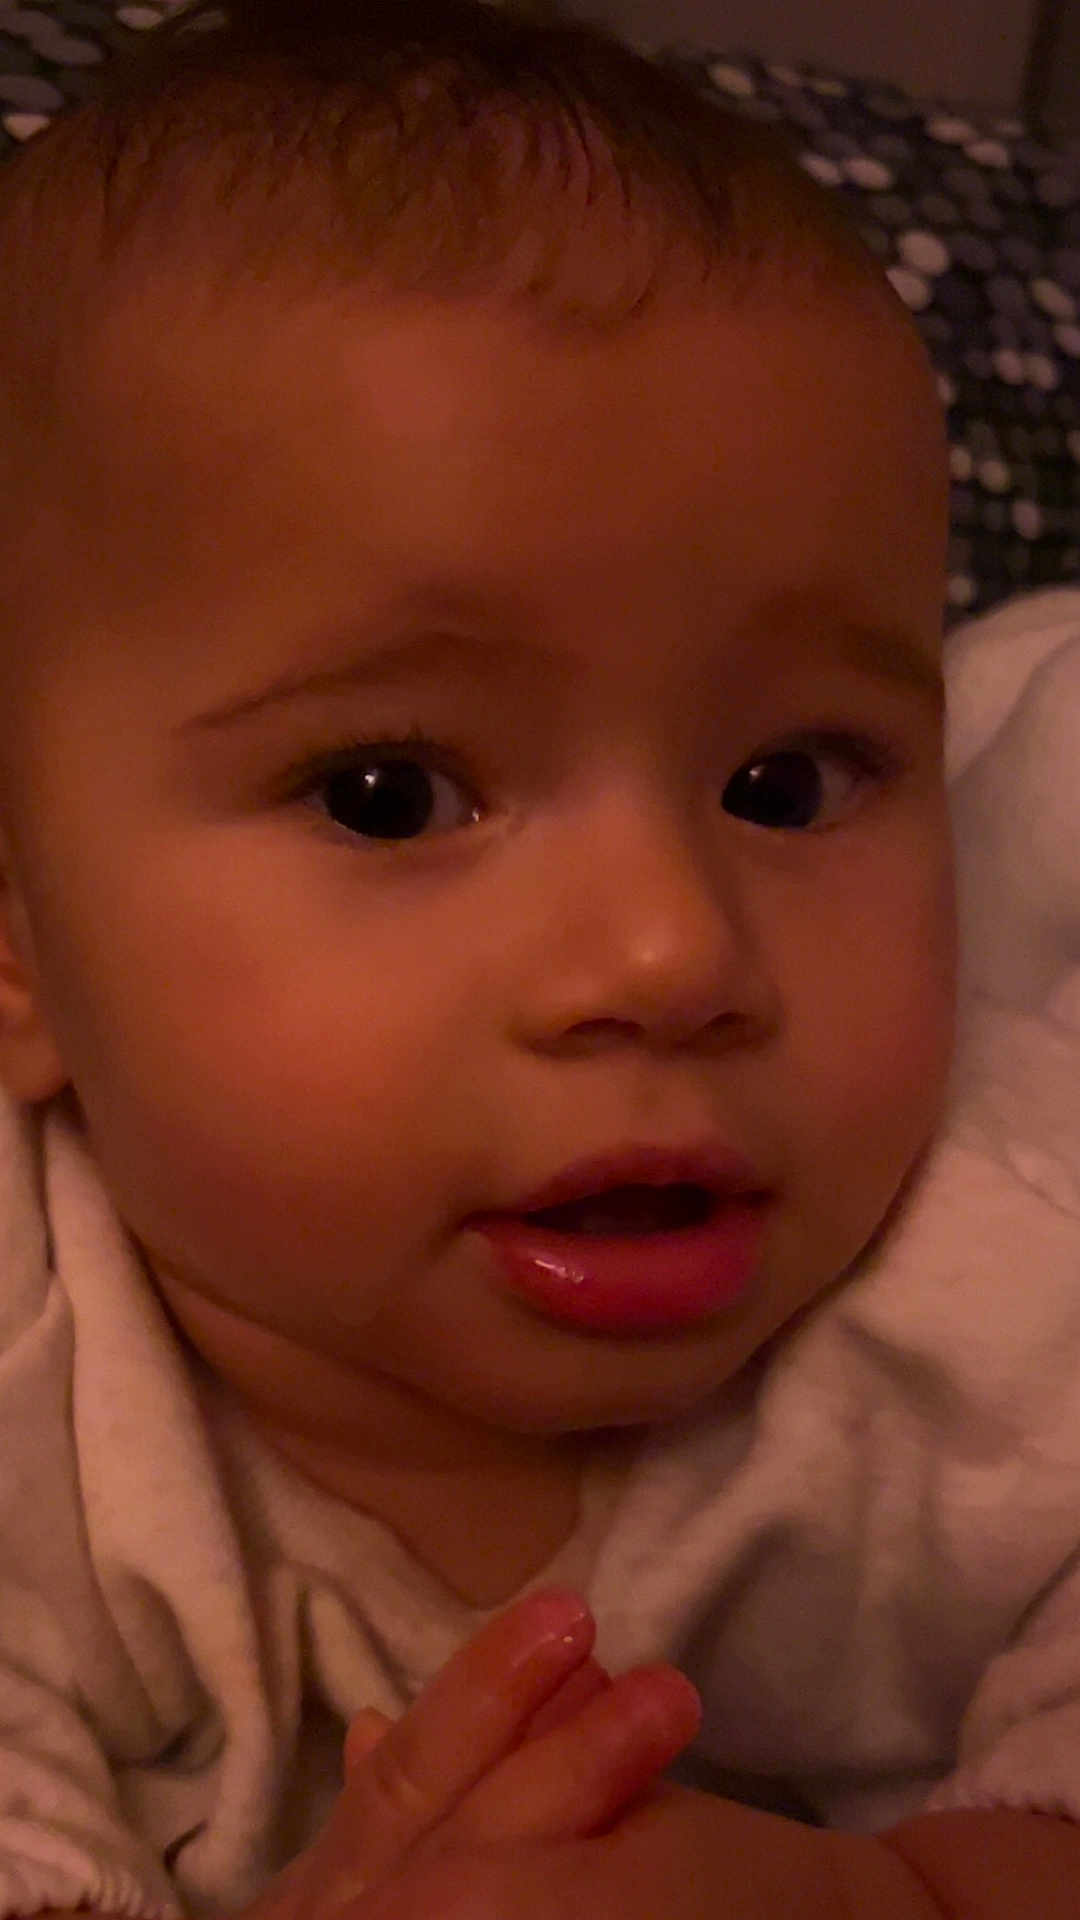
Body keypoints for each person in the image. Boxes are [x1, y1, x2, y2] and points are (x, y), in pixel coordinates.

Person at [0, 0, 1077, 1912]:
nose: (671, 953)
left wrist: (907, 1902)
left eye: (788, 778)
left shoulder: (998, 1261)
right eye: (392, 795)